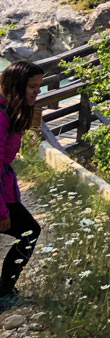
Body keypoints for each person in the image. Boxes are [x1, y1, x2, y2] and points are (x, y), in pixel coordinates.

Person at [0, 60, 43, 306]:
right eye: (33, 87)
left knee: (29, 232)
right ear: (16, 86)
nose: (38, 92)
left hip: (4, 188)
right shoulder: (0, 116)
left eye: (39, 87)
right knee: (29, 233)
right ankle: (4, 293)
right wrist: (2, 210)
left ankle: (4, 290)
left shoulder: (10, 111)